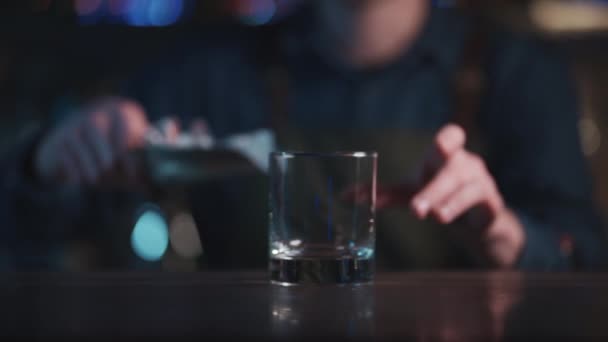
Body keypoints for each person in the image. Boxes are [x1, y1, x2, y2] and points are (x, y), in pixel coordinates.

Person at [3, 0, 607, 270]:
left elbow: (583, 257)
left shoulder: (520, 74)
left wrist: (506, 235)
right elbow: (27, 226)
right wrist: (46, 160)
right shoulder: (209, 69)